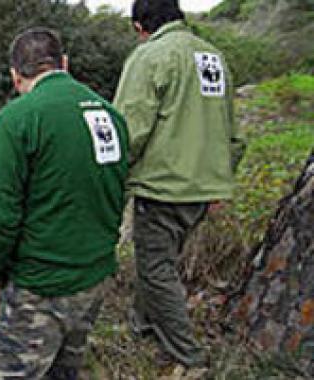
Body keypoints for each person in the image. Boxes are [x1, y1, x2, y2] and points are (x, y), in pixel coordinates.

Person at [0, 27, 129, 379]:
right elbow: (115, 191)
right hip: (93, 277)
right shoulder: (111, 116)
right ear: (64, 63)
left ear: (16, 76)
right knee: (65, 371)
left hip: (39, 286)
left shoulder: (17, 119)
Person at [113, 0, 245, 370]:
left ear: (141, 26)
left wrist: (113, 176)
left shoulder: (150, 56)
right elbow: (231, 131)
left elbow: (129, 130)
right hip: (203, 186)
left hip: (163, 185)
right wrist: (220, 179)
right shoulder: (213, 57)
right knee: (159, 261)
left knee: (157, 269)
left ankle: (190, 355)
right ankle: (142, 324)